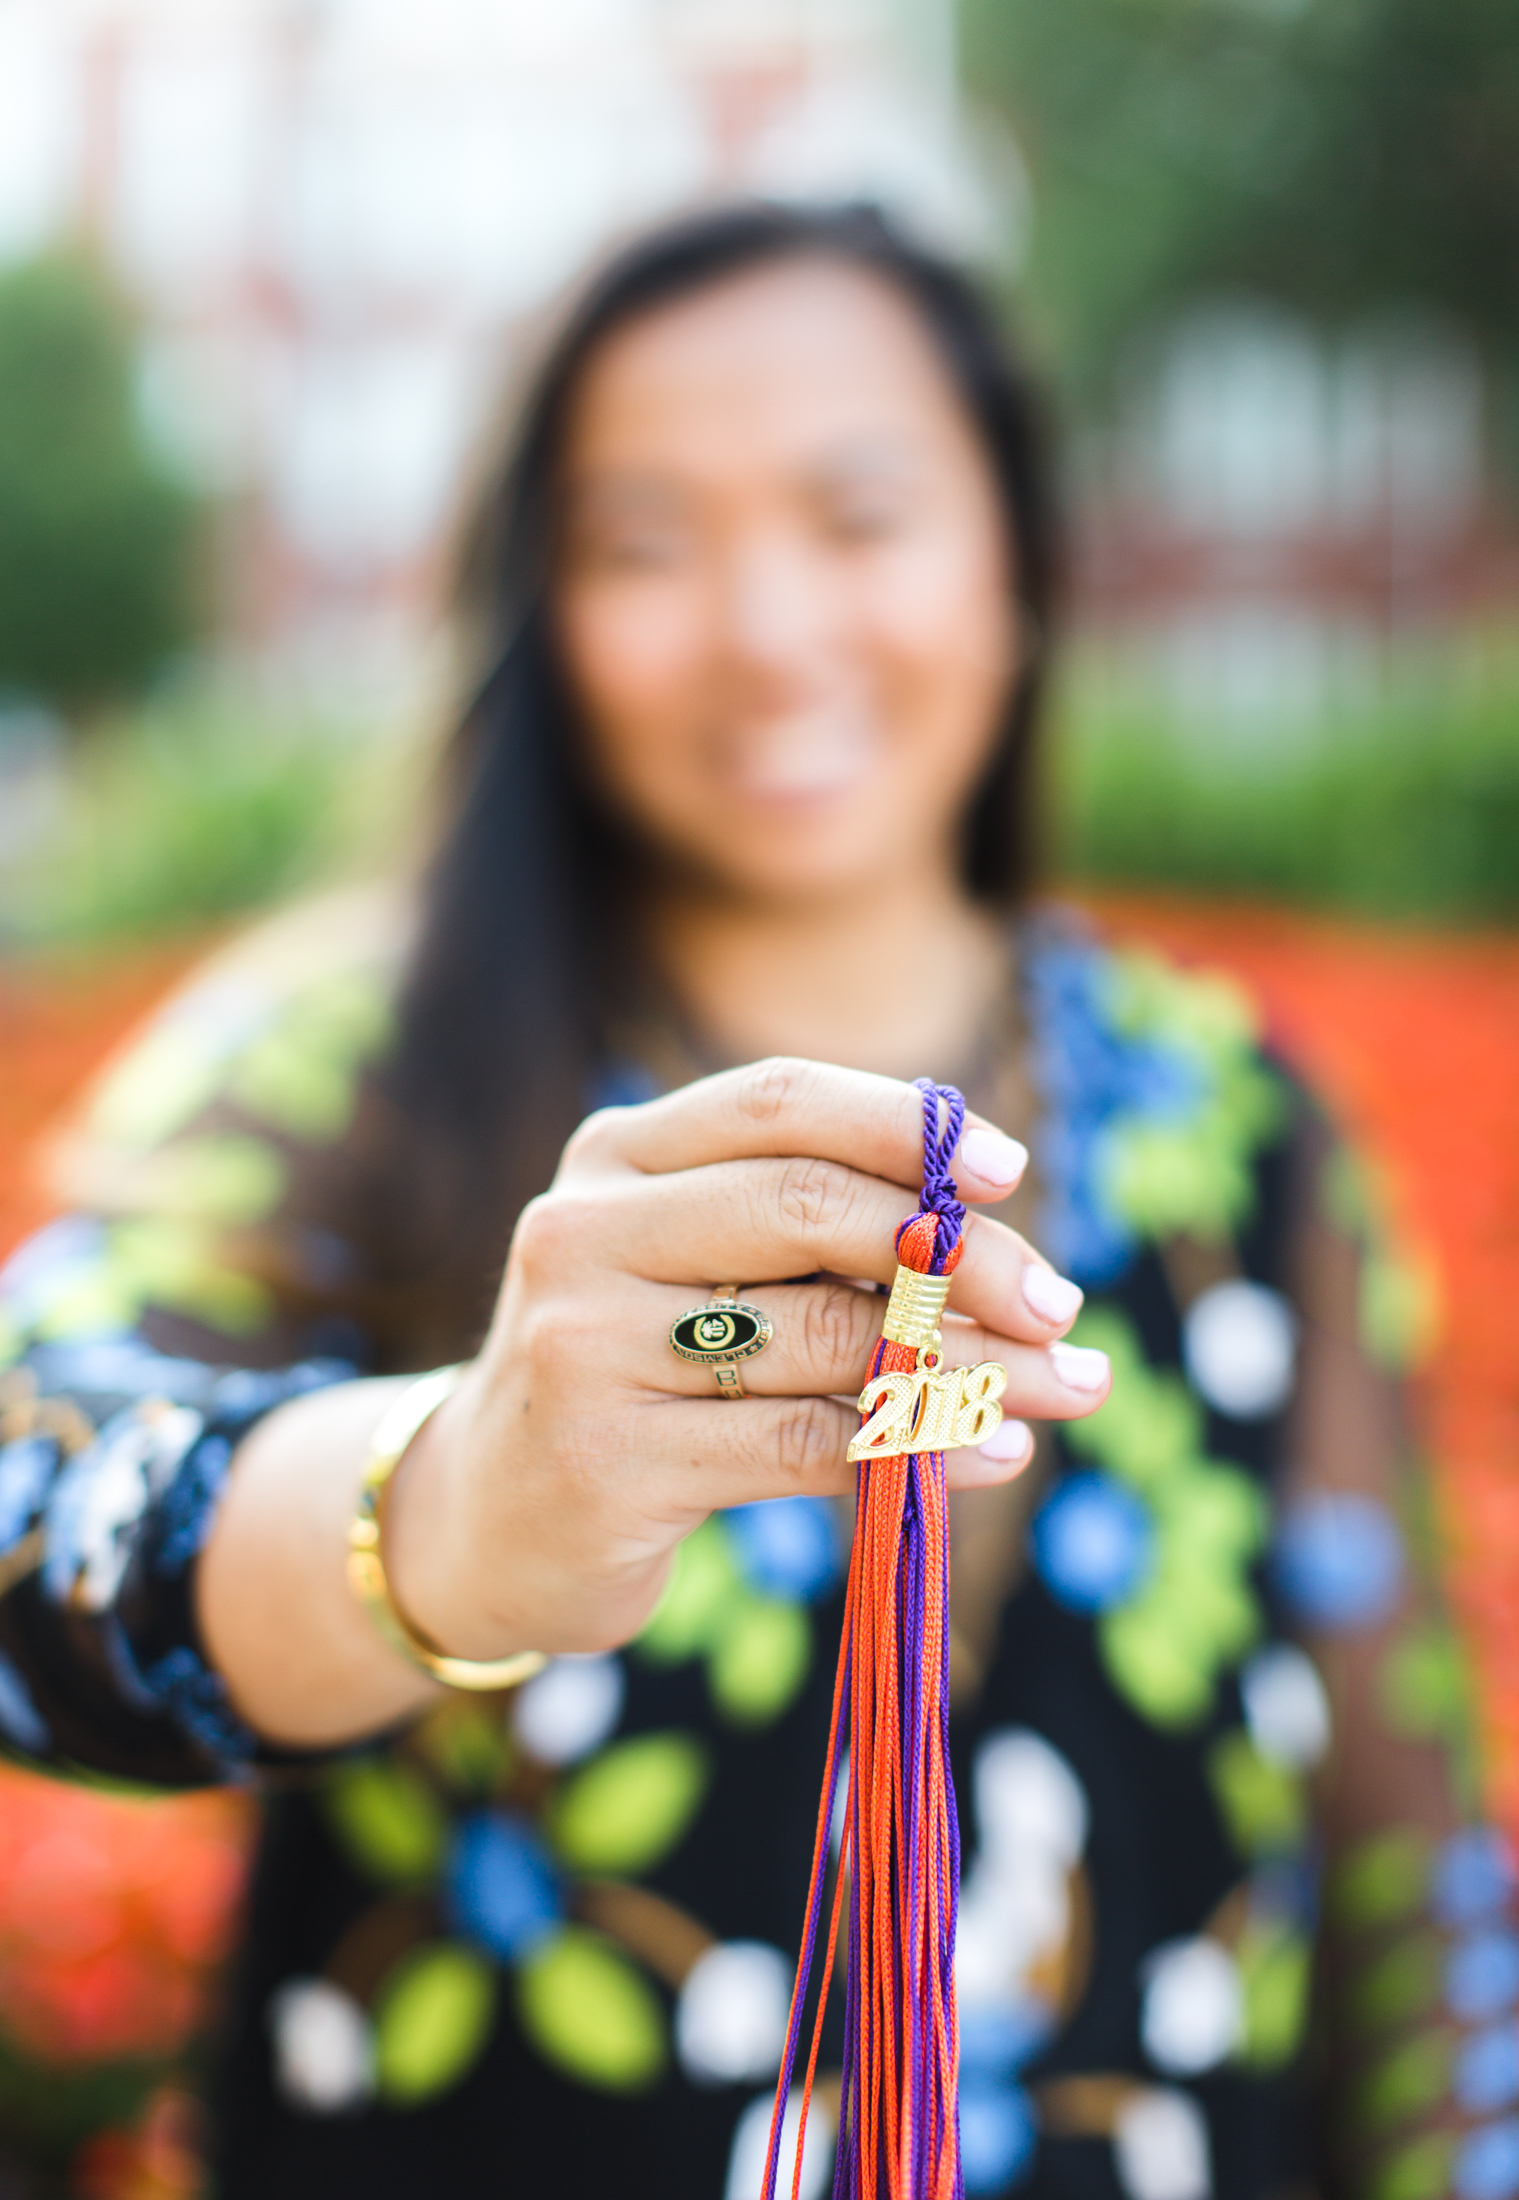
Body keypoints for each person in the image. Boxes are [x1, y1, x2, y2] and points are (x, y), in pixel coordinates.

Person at [0, 202, 1507, 2200]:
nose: (767, 624)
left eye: (857, 512)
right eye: (644, 540)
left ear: (1016, 560)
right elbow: (37, 1502)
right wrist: (454, 1501)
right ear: (537, 603)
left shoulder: (1239, 1120)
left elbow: (1413, 1865)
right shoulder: (339, 1057)